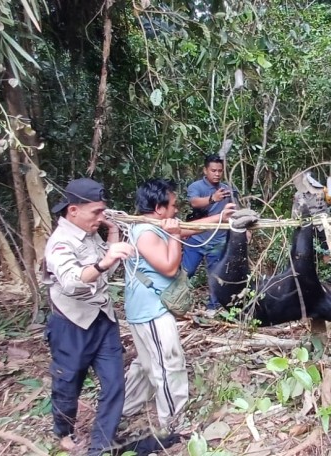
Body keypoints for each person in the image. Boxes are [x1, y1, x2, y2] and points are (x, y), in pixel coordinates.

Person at [122, 178, 235, 431]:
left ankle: (127, 407)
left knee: (147, 363)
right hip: (152, 311)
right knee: (168, 363)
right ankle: (173, 421)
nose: (176, 210)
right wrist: (173, 234)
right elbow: (171, 267)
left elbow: (188, 228)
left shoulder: (154, 225)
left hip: (146, 310)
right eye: (173, 205)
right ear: (159, 208)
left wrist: (222, 218)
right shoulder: (147, 233)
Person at [43, 178, 134, 455]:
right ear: (73, 211)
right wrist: (105, 260)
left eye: (103, 211)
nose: (101, 217)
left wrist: (113, 236)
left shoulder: (91, 233)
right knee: (68, 383)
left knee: (115, 383)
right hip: (71, 324)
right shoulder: (60, 243)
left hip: (102, 318)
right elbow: (72, 282)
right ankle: (64, 430)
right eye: (96, 212)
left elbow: (104, 272)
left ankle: (100, 445)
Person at [184, 155, 237, 315]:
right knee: (186, 272)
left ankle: (213, 308)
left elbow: (235, 210)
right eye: (213, 170)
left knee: (216, 275)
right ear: (205, 170)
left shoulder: (227, 188)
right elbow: (194, 202)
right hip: (196, 239)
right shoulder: (196, 186)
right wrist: (213, 198)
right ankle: (174, 301)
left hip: (218, 240)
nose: (217, 174)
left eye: (220, 171)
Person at [292, 172, 331, 261]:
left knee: (327, 245)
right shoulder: (298, 194)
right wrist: (295, 221)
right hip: (306, 224)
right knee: (305, 246)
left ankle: (328, 264)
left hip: (321, 223)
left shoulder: (323, 191)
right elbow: (295, 209)